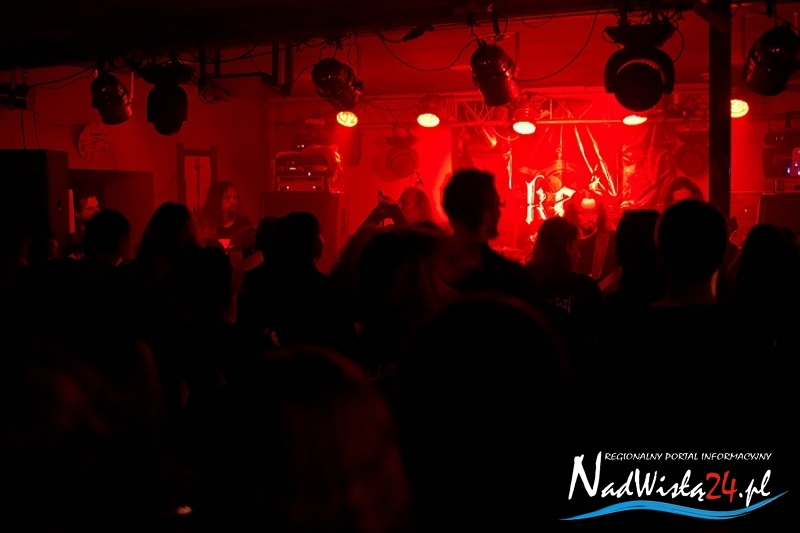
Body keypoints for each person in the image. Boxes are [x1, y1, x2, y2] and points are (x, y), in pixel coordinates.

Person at [441, 168, 539, 307]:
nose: (499, 212)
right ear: (486, 216)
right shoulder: (511, 278)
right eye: (498, 205)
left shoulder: (429, 272)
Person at [562, 189, 618, 293]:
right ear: (574, 214)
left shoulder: (611, 239)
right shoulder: (565, 242)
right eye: (584, 213)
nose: (590, 218)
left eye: (594, 212)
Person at [197, 181, 254, 250]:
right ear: (216, 201)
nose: (233, 202)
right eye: (228, 198)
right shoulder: (206, 226)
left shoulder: (244, 225)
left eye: (235, 197)